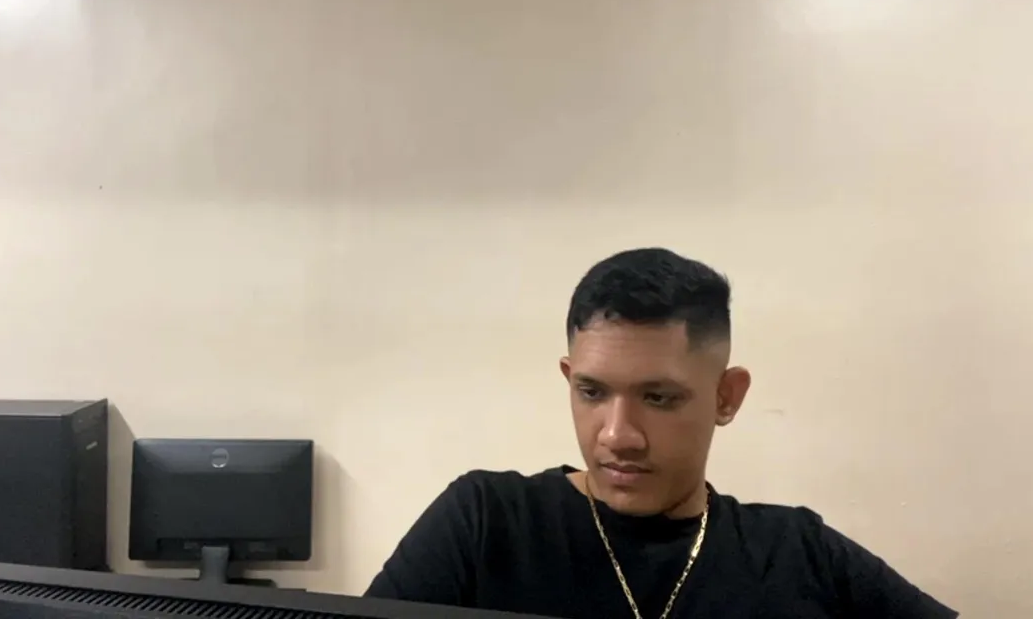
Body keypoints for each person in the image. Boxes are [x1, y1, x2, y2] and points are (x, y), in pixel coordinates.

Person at [365, 248, 957, 618]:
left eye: (658, 398)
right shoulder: (485, 523)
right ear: (569, 379)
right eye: (592, 392)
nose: (618, 435)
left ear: (726, 397)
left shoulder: (797, 552)